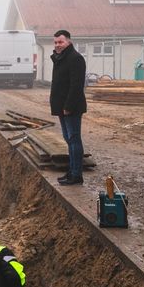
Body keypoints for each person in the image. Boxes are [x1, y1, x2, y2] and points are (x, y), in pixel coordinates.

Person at [50, 28, 87, 185]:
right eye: (56, 42)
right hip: (61, 106)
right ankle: (71, 171)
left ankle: (76, 174)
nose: (58, 45)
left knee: (74, 138)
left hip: (71, 107)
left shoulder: (75, 58)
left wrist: (68, 106)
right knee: (68, 138)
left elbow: (76, 86)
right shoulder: (60, 58)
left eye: (61, 42)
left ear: (69, 41)